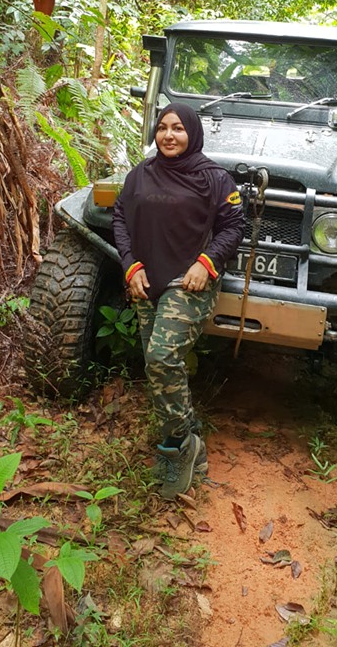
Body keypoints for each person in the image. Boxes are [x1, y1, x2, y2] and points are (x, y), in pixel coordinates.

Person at [112, 102, 245, 498]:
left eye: (178, 129)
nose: (169, 135)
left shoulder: (215, 179)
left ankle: (175, 449)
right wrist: (129, 266)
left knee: (161, 358)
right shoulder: (141, 174)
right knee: (158, 368)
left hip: (188, 281)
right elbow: (120, 216)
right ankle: (191, 442)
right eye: (163, 128)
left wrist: (207, 263)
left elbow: (234, 225)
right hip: (144, 278)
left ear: (193, 133)